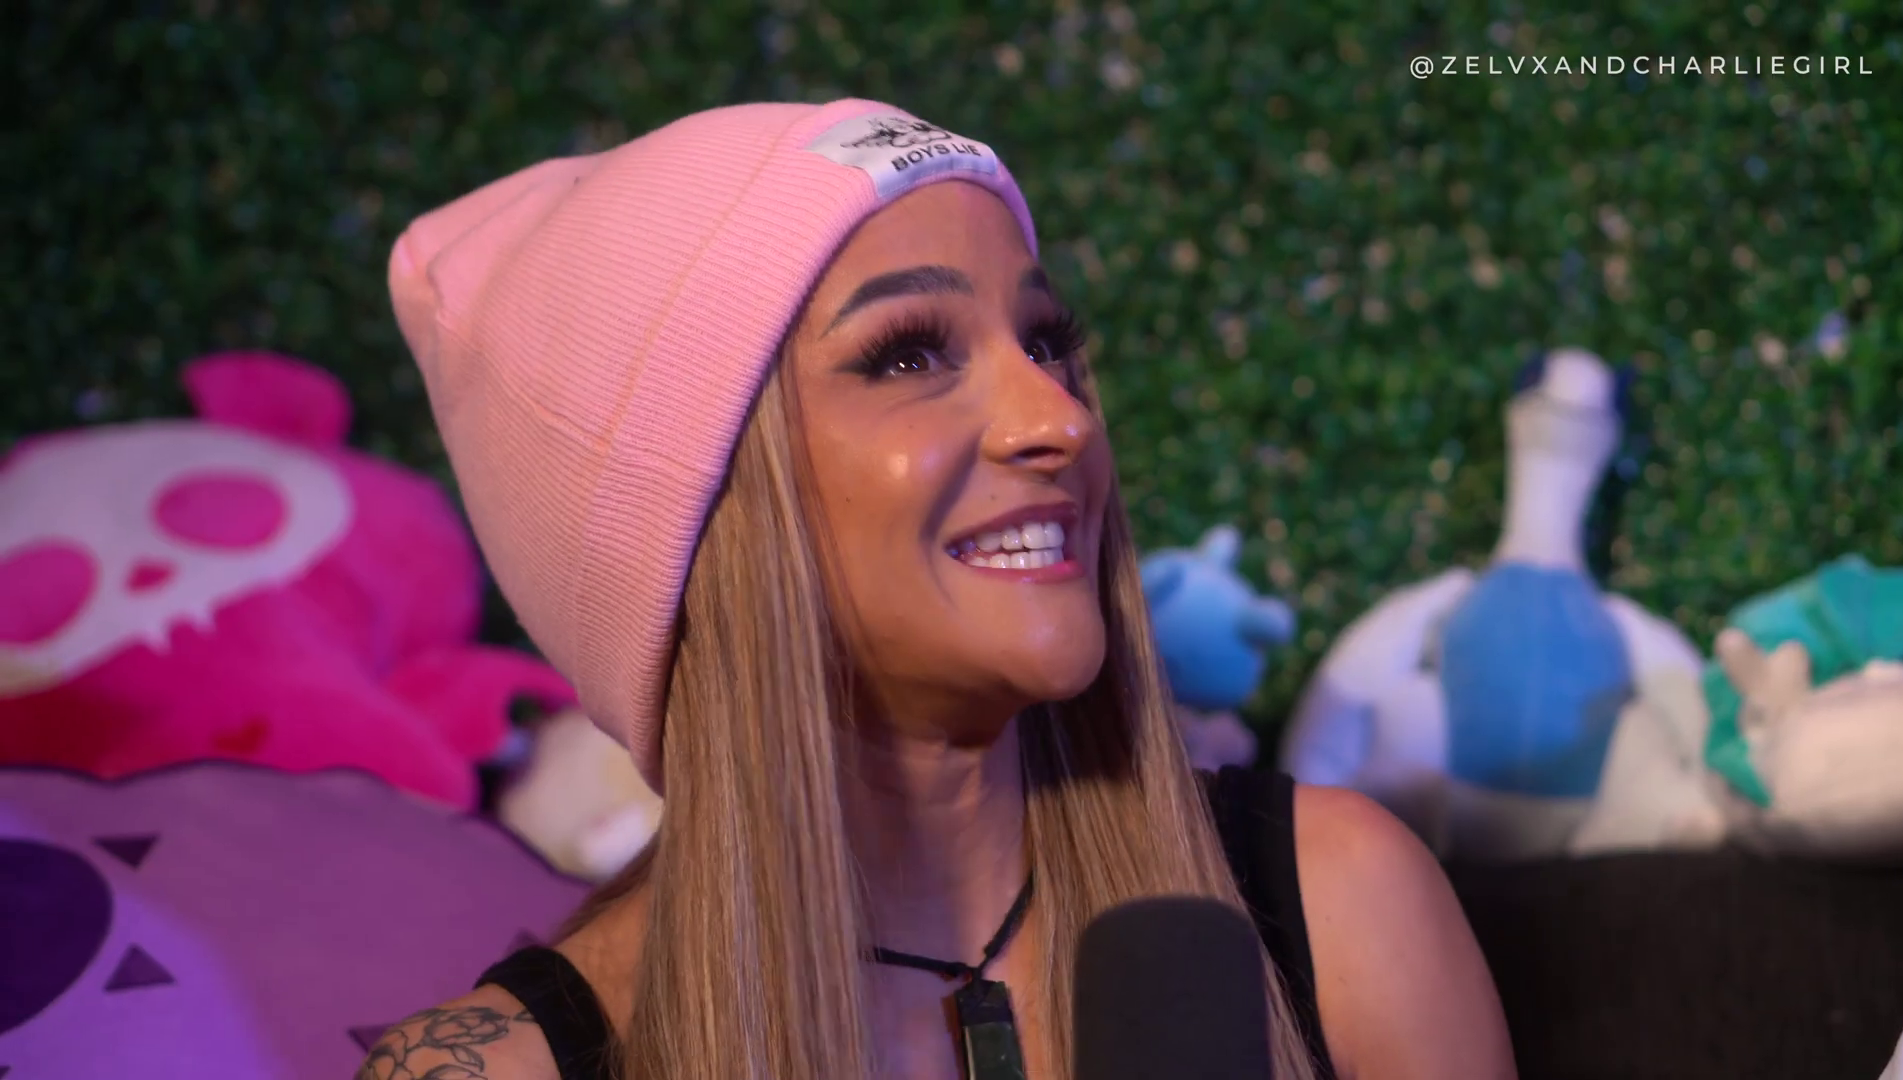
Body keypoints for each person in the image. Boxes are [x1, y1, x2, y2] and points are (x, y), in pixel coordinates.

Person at [362, 99, 1514, 1080]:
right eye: (909, 354)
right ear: (701, 519)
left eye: (1046, 340)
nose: (1061, 420)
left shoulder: (1344, 901)